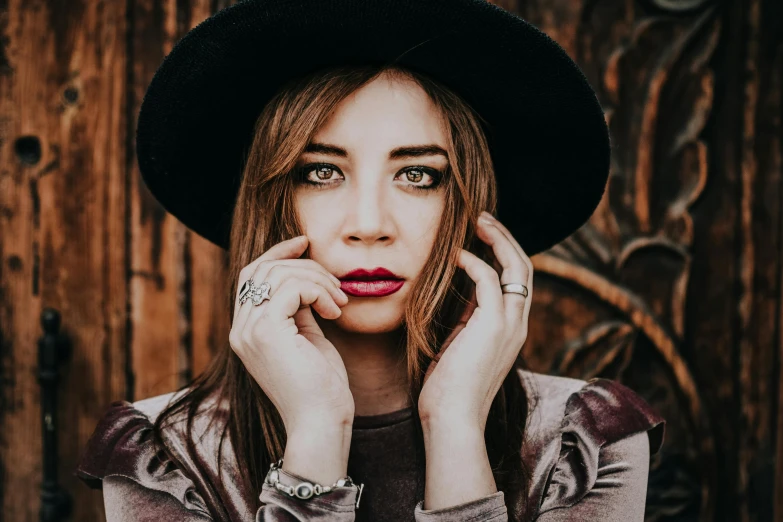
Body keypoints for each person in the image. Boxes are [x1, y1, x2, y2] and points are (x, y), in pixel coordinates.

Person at [75, 1, 666, 521]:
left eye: (418, 175)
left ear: (470, 207)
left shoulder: (582, 445)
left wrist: (455, 425)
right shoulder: (165, 459)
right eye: (321, 172)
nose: (368, 225)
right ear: (270, 197)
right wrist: (315, 435)